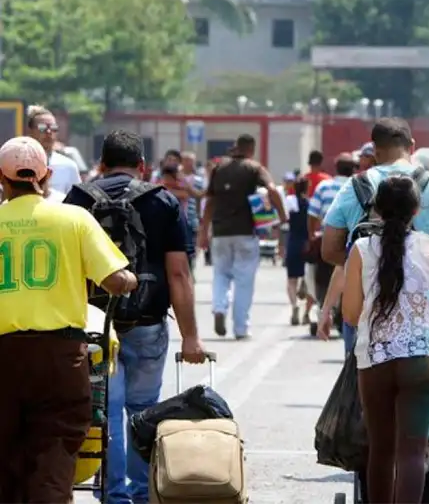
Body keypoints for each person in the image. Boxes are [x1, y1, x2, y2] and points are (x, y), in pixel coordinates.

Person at [64, 129, 207, 504]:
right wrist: (191, 336)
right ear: (142, 165)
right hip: (147, 323)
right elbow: (179, 273)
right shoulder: (162, 201)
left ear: (101, 164)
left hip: (95, 326)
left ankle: (114, 496)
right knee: (143, 411)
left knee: (106, 413)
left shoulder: (78, 199)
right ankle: (142, 494)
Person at [0, 136, 137, 503]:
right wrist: (130, 279)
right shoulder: (74, 219)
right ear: (45, 176)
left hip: (3, 358)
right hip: (60, 357)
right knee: (55, 452)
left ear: (2, 178)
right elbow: (115, 279)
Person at [341, 175, 429, 504]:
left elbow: (349, 315)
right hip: (423, 362)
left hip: (375, 361)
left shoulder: (361, 250)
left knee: (381, 450)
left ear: (375, 209)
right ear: (417, 210)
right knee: (412, 451)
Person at [321, 119, 429, 351]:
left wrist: (372, 262)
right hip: (425, 315)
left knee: (360, 379)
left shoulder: (353, 187)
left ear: (375, 150)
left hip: (366, 316)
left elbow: (329, 249)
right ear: (412, 145)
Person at [198, 134, 286, 339]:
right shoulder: (254, 168)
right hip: (246, 232)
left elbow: (209, 201)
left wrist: (204, 231)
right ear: (251, 149)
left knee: (220, 274)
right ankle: (241, 328)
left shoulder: (219, 168)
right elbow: (272, 190)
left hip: (220, 232)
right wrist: (282, 216)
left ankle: (219, 308)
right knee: (244, 281)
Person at [309, 153, 355, 334]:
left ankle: (324, 309)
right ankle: (340, 314)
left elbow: (312, 213)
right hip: (351, 241)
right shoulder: (358, 186)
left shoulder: (324, 186)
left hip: (326, 239)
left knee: (322, 279)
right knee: (348, 276)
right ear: (354, 168)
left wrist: (312, 235)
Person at [25, 105, 82, 194]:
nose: (49, 132)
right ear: (30, 131)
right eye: (42, 128)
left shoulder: (69, 166)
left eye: (53, 128)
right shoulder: (19, 164)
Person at [284, 177, 310, 326]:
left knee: (291, 279)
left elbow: (285, 219)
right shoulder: (310, 203)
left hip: (293, 241)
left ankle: (294, 306)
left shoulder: (290, 201)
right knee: (307, 273)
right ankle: (304, 285)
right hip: (306, 243)